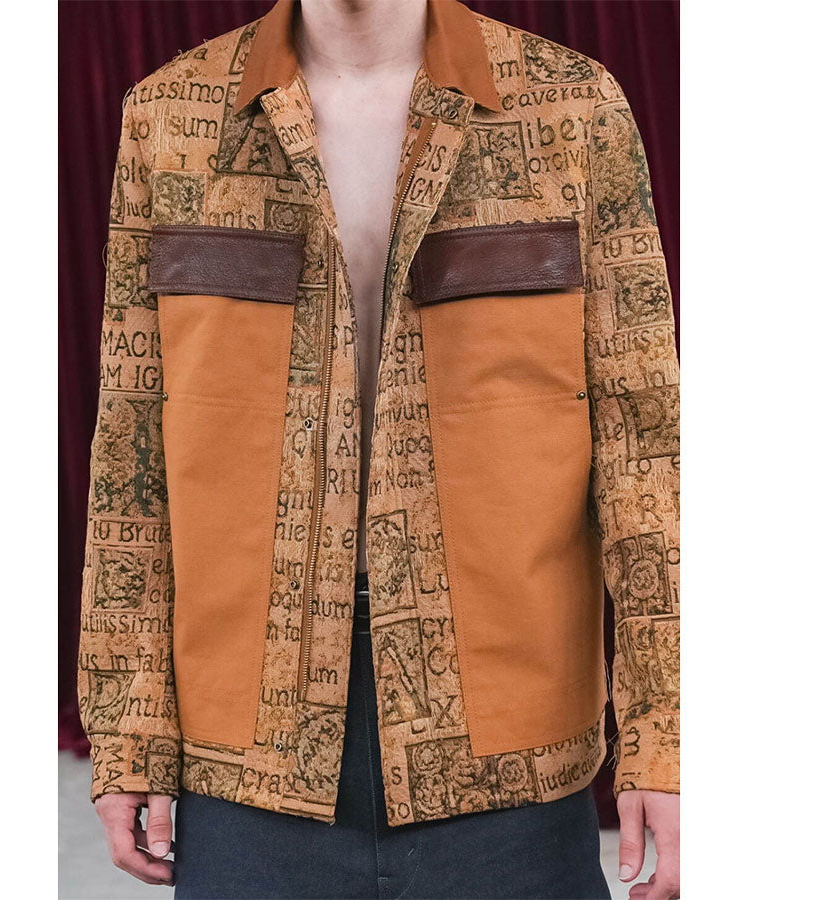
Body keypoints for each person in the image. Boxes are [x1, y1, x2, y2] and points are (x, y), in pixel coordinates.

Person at [78, 1, 680, 897]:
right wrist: (129, 731)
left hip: (510, 751)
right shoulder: (171, 116)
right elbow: (133, 454)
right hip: (248, 748)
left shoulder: (571, 105)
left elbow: (647, 451)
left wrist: (669, 738)